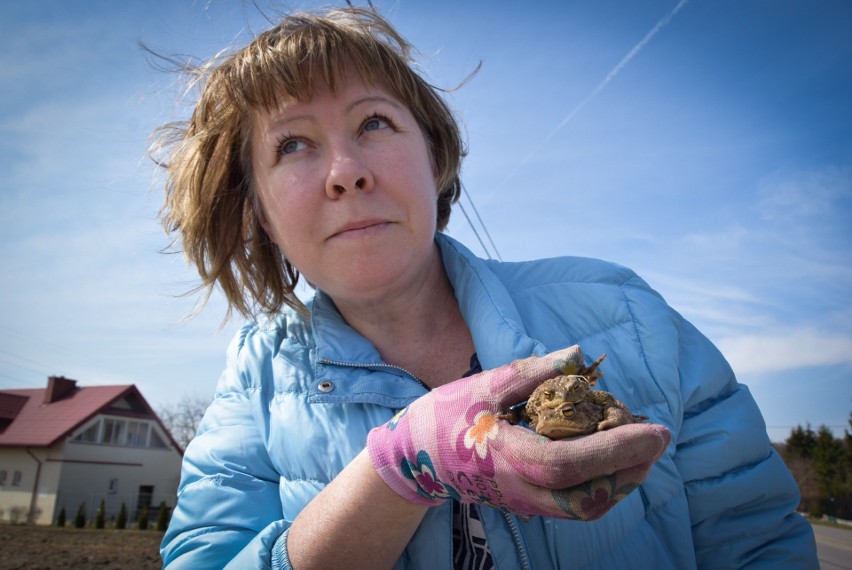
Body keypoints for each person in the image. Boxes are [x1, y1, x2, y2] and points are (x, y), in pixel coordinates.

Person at [154, 7, 818, 569]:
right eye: (292, 145)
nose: (346, 172)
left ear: (433, 155)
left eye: (374, 123)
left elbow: (760, 542)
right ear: (258, 212)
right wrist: (403, 467)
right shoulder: (256, 384)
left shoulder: (625, 314)